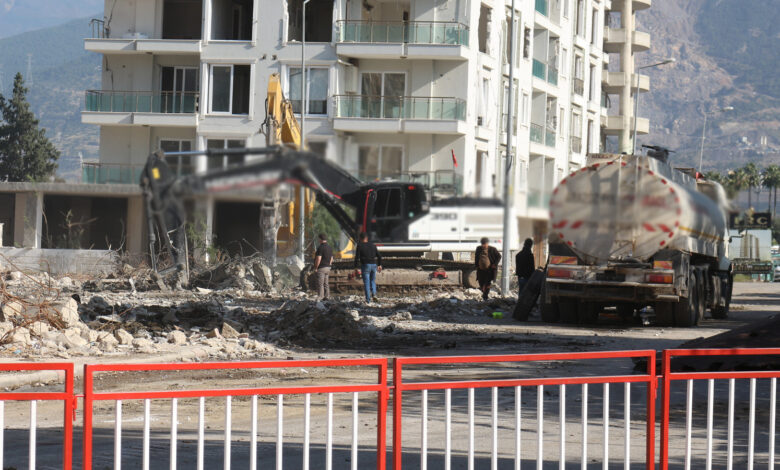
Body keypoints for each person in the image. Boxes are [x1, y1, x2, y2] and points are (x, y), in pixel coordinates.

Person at [355, 232, 382, 303]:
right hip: (374, 265)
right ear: (367, 238)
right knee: (372, 281)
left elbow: (356, 258)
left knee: (367, 283)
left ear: (360, 238)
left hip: (365, 265)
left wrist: (355, 268)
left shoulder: (360, 245)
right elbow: (379, 256)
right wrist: (379, 265)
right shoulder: (373, 245)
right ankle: (374, 293)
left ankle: (368, 300)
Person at [313, 233, 334, 301]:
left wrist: (316, 267)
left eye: (318, 239)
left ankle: (321, 296)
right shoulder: (329, 247)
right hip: (328, 267)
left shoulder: (320, 248)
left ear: (320, 239)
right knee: (326, 283)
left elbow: (318, 259)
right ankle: (327, 296)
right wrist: (329, 265)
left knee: (320, 283)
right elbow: (331, 258)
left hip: (321, 268)